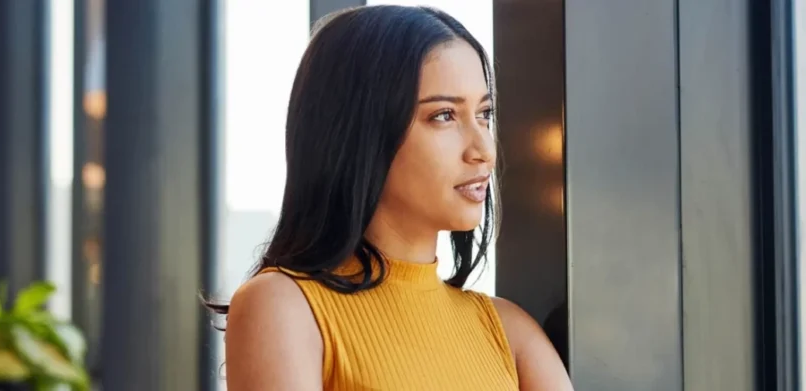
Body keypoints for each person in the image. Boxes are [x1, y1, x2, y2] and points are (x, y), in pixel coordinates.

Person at [209, 5, 572, 391]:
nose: (483, 149)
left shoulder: (508, 332)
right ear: (360, 131)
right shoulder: (285, 307)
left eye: (484, 113)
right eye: (444, 115)